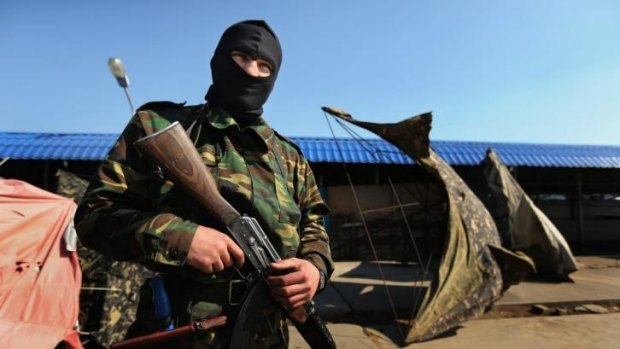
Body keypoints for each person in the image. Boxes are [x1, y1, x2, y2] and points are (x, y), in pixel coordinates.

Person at [75, 20, 333, 348]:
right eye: (241, 58)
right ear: (219, 61)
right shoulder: (161, 126)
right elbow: (94, 216)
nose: (252, 72)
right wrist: (180, 237)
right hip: (178, 334)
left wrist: (313, 269)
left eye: (265, 66)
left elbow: (314, 228)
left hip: (265, 336)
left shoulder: (289, 157)